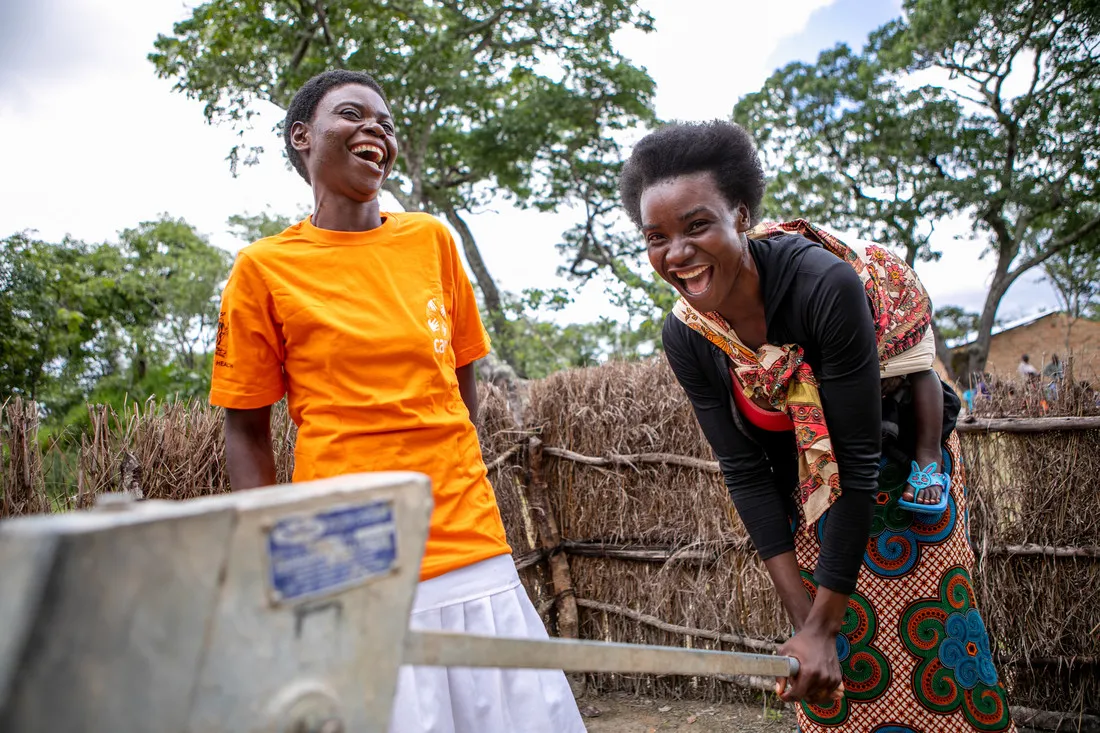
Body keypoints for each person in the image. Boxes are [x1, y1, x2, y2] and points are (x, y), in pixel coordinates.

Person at [209, 70, 585, 733]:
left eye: (384, 121)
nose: (375, 129)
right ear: (302, 136)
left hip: (467, 537)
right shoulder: (264, 269)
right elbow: (246, 429)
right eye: (352, 114)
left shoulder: (431, 241)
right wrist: (270, 560)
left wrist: (440, 463)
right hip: (344, 555)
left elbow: (460, 382)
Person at [620, 120, 1015, 731]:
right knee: (832, 679)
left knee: (940, 650)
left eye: (697, 225)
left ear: (741, 216)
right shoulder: (689, 336)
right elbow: (745, 472)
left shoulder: (822, 286)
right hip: (806, 492)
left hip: (894, 469)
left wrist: (823, 624)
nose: (676, 253)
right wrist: (809, 625)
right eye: (656, 237)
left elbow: (856, 459)